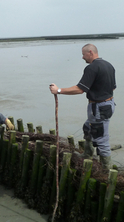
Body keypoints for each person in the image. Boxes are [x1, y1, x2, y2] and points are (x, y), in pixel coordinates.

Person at [49, 43, 115, 171]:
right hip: (107, 104)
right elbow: (112, 87)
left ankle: (106, 171)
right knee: (87, 128)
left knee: (101, 138)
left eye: (83, 54)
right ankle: (88, 154)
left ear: (90, 52)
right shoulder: (109, 65)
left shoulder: (92, 68)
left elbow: (80, 89)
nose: (82, 57)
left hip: (99, 107)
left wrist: (58, 90)